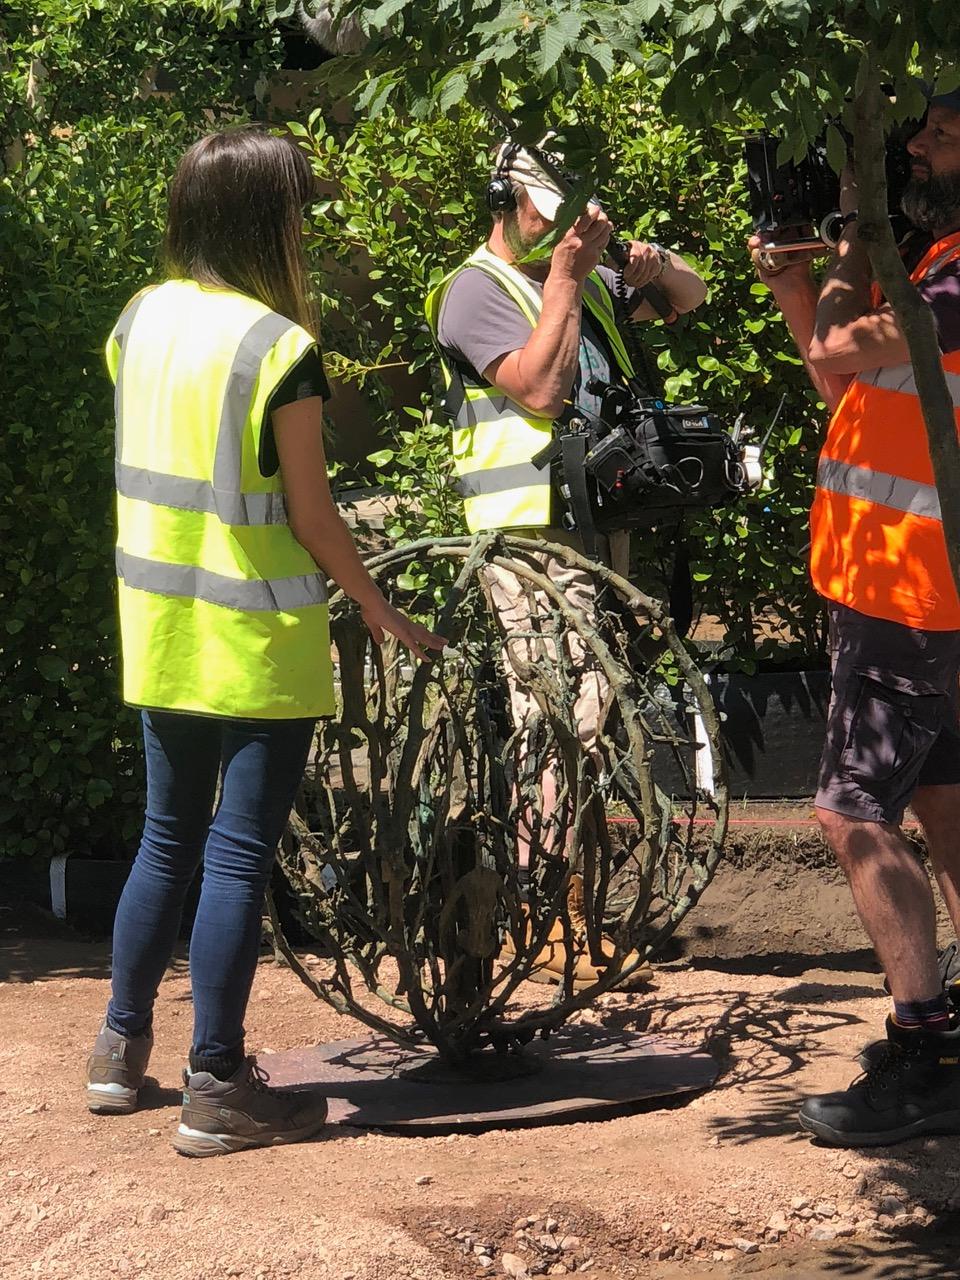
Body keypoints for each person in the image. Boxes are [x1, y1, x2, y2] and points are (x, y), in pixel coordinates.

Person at [85, 126, 445, 1157]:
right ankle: (217, 1083)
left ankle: (119, 1051)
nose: (306, 224)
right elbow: (316, 516)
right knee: (238, 854)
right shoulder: (279, 348)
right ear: (264, 220)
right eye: (296, 208)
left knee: (167, 837)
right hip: (256, 641)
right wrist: (384, 610)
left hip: (160, 631)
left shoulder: (139, 322)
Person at [425, 143, 707, 987]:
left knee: (593, 720)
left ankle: (572, 910)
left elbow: (690, 296)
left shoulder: (577, 276)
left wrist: (642, 263)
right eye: (544, 210)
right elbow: (540, 391)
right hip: (527, 537)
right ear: (503, 199)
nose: (558, 226)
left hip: (593, 530)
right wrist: (569, 281)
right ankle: (542, 913)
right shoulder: (476, 290)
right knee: (557, 720)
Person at [750, 88, 960, 1146]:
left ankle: (928, 1048)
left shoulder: (958, 277)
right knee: (945, 801)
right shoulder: (937, 266)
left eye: (940, 134)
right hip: (908, 588)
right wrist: (805, 282)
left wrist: (842, 229)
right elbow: (842, 377)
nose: (919, 150)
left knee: (849, 811)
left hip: (912, 595)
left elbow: (840, 348)